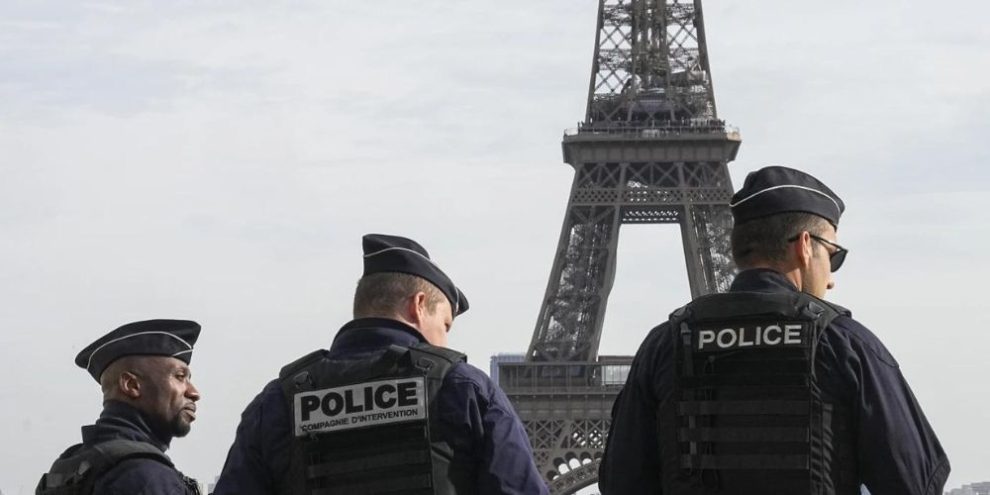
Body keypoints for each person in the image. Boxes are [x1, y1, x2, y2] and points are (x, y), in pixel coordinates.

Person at [599, 166, 950, 494]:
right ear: (804, 246)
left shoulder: (666, 345)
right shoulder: (846, 343)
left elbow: (621, 480)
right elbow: (914, 482)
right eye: (834, 256)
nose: (831, 282)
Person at [213, 234, 548, 495]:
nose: (445, 341)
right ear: (418, 306)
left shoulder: (277, 402)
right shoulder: (465, 390)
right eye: (445, 325)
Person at [37, 319, 203, 495]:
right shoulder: (146, 477)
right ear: (131, 385)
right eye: (179, 376)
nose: (194, 392)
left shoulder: (69, 468)